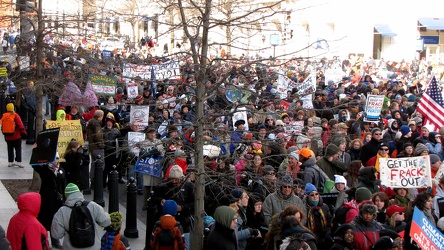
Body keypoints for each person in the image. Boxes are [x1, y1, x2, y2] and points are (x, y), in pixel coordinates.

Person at [51, 183, 111, 249]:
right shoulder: (92, 206)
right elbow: (106, 221)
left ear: (66, 196)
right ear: (79, 193)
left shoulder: (62, 211)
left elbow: (56, 235)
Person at [32, 155, 66, 249]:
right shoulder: (45, 170)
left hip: (58, 201)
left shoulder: (61, 170)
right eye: (54, 159)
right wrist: (35, 151)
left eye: (57, 159)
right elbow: (34, 165)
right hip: (47, 200)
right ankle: (42, 239)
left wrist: (64, 198)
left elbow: (63, 185)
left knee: (56, 221)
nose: (56, 161)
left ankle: (55, 241)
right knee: (45, 220)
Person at [304, 183, 333, 249]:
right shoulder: (305, 209)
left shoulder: (324, 207)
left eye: (316, 194)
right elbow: (304, 225)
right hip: (312, 238)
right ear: (308, 196)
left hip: (325, 236)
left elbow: (329, 221)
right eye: (312, 195)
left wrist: (327, 234)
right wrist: (314, 236)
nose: (315, 196)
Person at [1, 103, 27, 168]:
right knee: (18, 149)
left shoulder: (4, 116)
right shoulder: (15, 115)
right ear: (13, 108)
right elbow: (20, 125)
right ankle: (18, 162)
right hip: (16, 136)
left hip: (7, 136)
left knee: (10, 149)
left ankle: (10, 162)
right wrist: (24, 133)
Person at [86, 110, 105, 186]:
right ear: (100, 116)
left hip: (92, 147)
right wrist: (102, 146)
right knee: (100, 165)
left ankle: (92, 180)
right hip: (97, 147)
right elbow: (98, 136)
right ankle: (97, 181)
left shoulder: (91, 122)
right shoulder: (96, 124)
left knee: (94, 164)